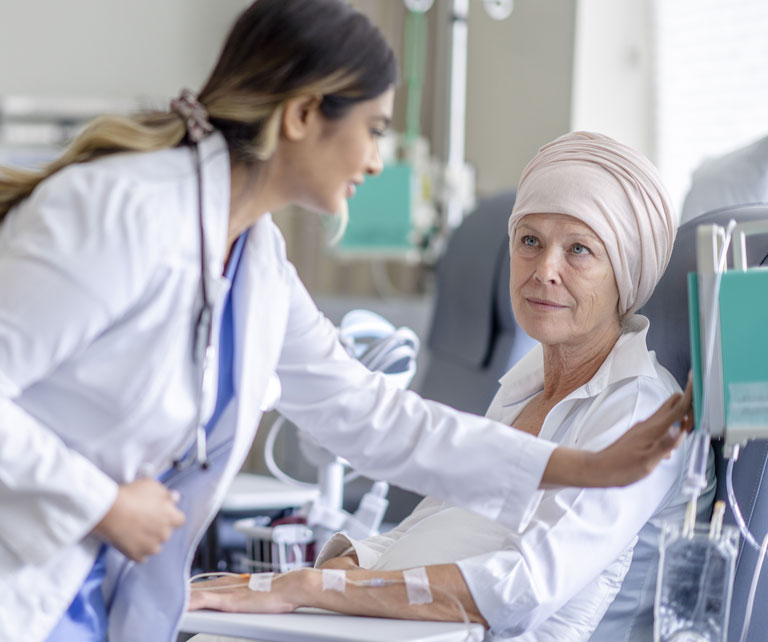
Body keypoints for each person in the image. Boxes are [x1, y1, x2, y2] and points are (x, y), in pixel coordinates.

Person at [0, 1, 691, 639]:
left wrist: (584, 468)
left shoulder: (257, 264)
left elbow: (374, 418)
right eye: (374, 129)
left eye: (580, 250)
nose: (375, 159)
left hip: (81, 591)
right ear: (302, 115)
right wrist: (103, 502)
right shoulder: (116, 211)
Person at [188, 132, 714, 642]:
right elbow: (427, 525)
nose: (544, 271)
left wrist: (313, 587)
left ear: (626, 273)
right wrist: (344, 569)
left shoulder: (640, 410)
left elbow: (517, 590)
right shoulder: (525, 386)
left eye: (579, 250)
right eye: (529, 241)